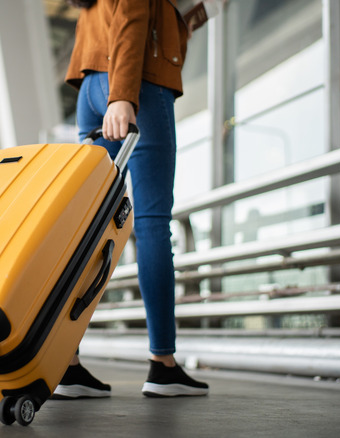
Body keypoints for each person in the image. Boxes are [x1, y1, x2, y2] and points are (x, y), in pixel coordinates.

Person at [54, 0, 208, 398]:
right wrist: (123, 95)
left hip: (90, 88)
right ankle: (163, 364)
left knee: (89, 229)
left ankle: (66, 362)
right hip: (134, 82)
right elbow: (132, 18)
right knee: (153, 224)